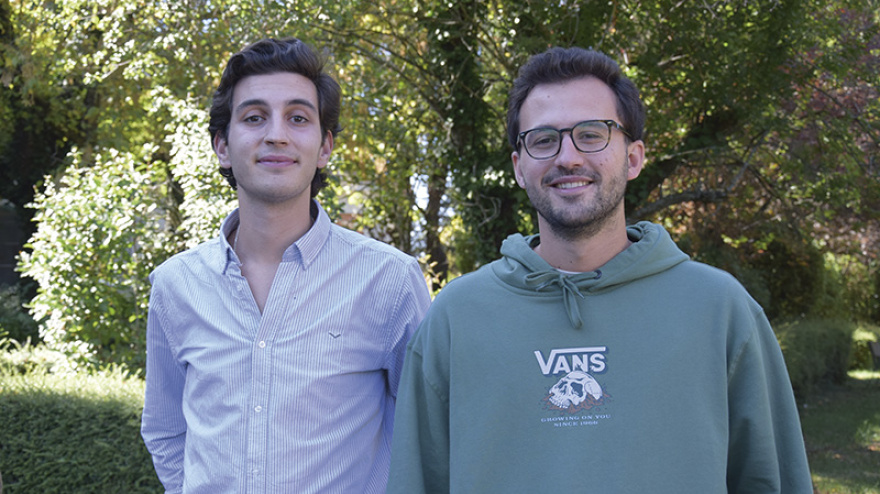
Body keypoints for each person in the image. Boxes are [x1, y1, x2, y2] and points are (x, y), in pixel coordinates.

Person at [386, 46, 813, 493]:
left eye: (592, 134)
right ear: (518, 166)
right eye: (543, 139)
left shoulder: (720, 310)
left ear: (633, 157)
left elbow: (774, 481)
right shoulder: (457, 317)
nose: (567, 157)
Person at [140, 38, 431, 494]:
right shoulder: (176, 285)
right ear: (221, 146)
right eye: (254, 117)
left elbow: (427, 431)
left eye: (298, 118)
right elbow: (166, 428)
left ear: (324, 148)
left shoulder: (389, 280)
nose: (276, 134)